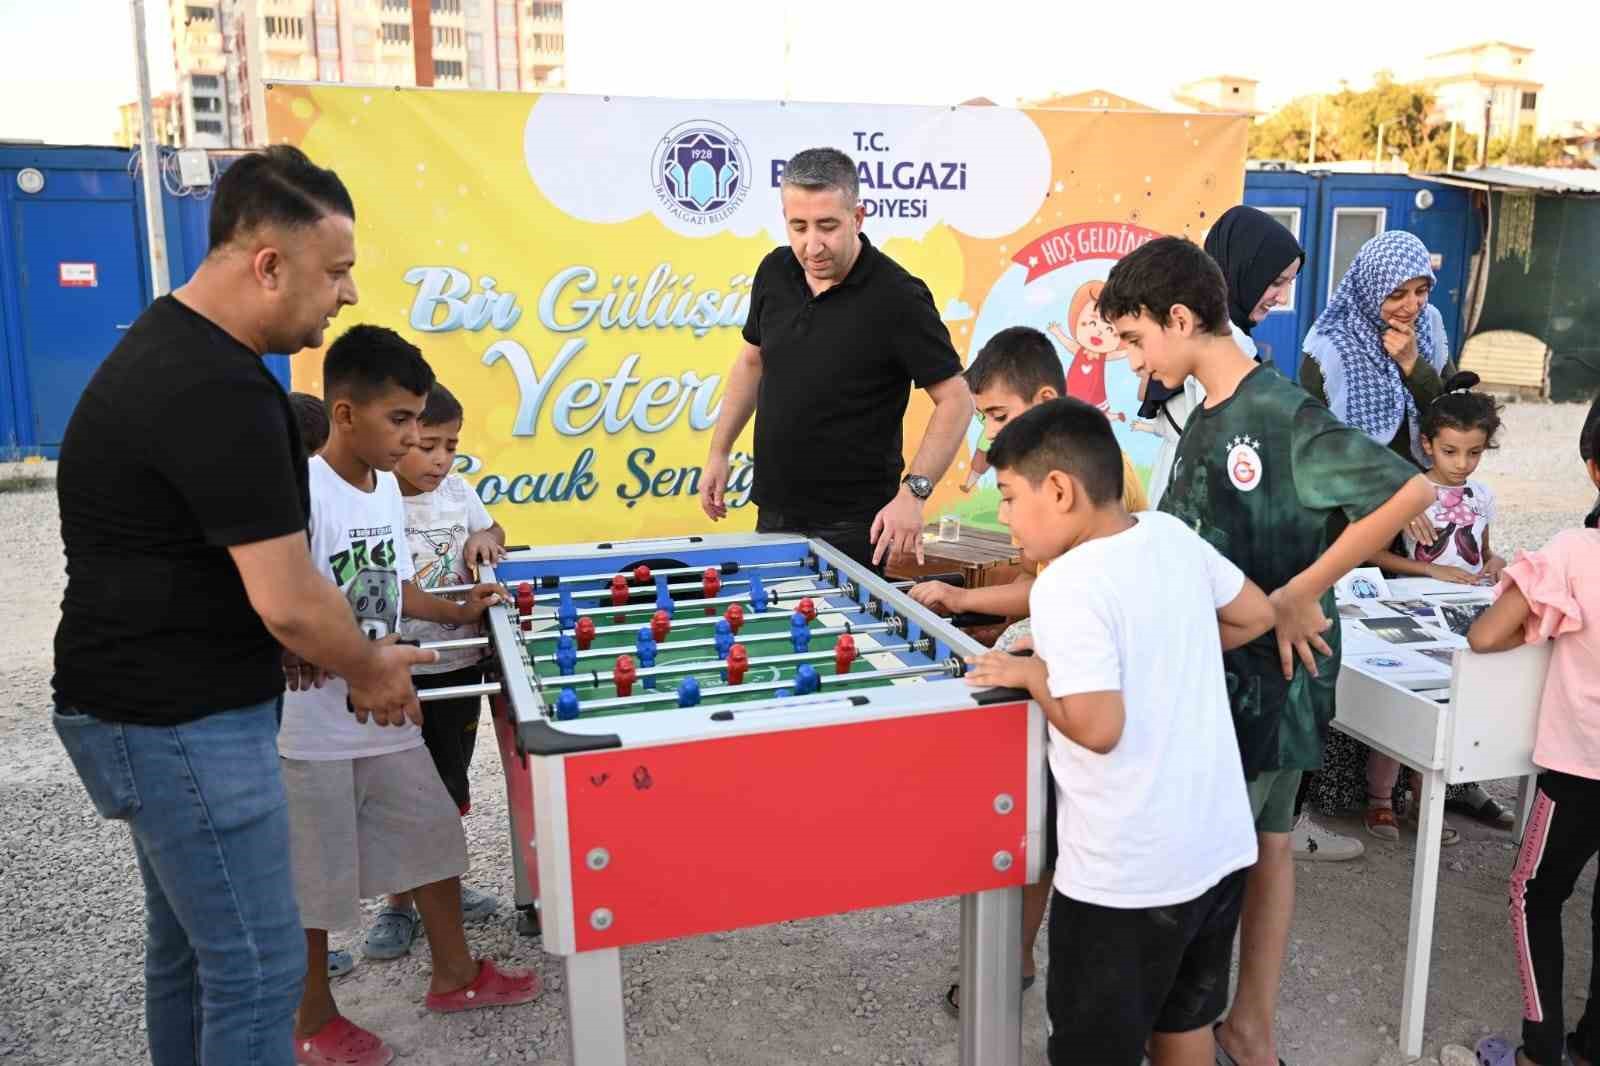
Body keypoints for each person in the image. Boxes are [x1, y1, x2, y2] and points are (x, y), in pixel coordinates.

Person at [51, 146, 433, 1066]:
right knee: (260, 969)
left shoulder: (180, 351)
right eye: (335, 270)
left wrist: (285, 638)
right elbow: (294, 598)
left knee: (191, 952)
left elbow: (212, 563)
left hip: (146, 706)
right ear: (269, 264)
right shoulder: (211, 387)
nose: (345, 295)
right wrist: (371, 664)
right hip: (179, 721)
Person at [1097, 236, 1434, 1066]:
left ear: (1180, 319)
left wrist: (1301, 590)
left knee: (1218, 860)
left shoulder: (1277, 410)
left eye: (1137, 339)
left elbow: (1407, 489)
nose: (1136, 358)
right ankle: (1243, 1026)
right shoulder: (1206, 409)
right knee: (1266, 847)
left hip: (1270, 681)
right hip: (1226, 675)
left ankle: (1210, 1027)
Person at [963, 398, 1274, 1066]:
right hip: (1215, 850)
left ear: (1059, 490)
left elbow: (1098, 727)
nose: (1006, 517)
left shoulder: (1067, 586)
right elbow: (1253, 615)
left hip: (1126, 878)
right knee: (1183, 1027)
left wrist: (1034, 677)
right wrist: (1169, 647)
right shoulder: (1168, 535)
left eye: (1011, 498)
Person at [281, 326, 538, 1065]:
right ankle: (313, 1018)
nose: (411, 437)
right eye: (399, 422)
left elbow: (390, 590)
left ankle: (454, 975)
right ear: (344, 414)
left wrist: (457, 610)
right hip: (315, 725)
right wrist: (334, 659)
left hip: (387, 707)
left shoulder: (384, 491)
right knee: (316, 878)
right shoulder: (303, 488)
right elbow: (283, 600)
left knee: (432, 835)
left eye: (418, 421)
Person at [909, 325, 1147, 1016]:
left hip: (1079, 682)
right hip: (1051, 665)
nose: (989, 436)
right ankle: (1011, 953)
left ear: (1044, 401)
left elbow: (1070, 599)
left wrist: (1024, 658)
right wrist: (960, 598)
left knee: (1043, 821)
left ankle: (1017, 959)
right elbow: (1036, 583)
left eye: (999, 416)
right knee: (1027, 813)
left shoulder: (1105, 483)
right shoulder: (1048, 483)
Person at [1296, 233, 1499, 837]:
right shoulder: (1327, 345)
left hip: (1426, 514)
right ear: (1367, 287)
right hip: (1353, 519)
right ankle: (1346, 791)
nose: (1411, 305)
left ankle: (1446, 778)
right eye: (1397, 293)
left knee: (1436, 640)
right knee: (1355, 645)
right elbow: (1319, 450)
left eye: (1420, 290)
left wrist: (1414, 367)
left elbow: (1450, 420)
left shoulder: (1429, 330)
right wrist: (1384, 497)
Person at [699, 146, 974, 570]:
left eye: (827, 226)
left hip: (856, 526)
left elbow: (957, 400)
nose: (812, 245)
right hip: (775, 512)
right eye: (799, 226)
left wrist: (912, 495)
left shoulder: (899, 296)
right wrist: (719, 451)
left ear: (858, 217)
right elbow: (753, 361)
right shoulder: (774, 271)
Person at [1465, 410, 1600, 1066]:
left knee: (1534, 894)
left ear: (1594, 469)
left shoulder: (1575, 551)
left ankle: (1538, 1053)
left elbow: (1486, 635)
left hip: (1581, 769)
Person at [363, 381, 509, 960]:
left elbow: (496, 532)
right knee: (400, 793)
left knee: (448, 785)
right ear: (398, 440)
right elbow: (379, 590)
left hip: (460, 666)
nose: (441, 460)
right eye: (428, 446)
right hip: (405, 671)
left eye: (451, 445)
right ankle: (398, 903)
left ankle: (441, 885)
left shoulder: (458, 491)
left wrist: (483, 535)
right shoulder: (373, 500)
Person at [1137, 205, 1304, 509]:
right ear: (1243, 269)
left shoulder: (1199, 332)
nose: (1282, 298)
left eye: (1289, 283)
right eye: (1277, 282)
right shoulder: (1225, 344)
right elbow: (1226, 446)